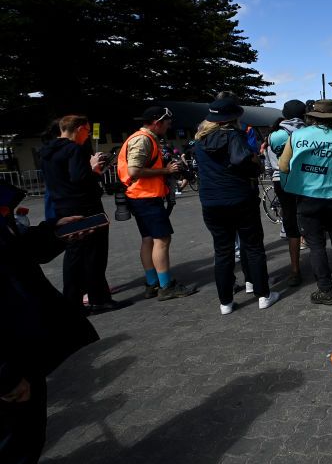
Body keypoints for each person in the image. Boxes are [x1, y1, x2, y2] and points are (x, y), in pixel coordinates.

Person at [0, 182, 108, 464]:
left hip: (18, 346)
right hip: (6, 365)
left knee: (25, 445)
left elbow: (12, 250)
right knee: (11, 463)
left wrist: (52, 234)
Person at [193, 98, 280, 315]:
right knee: (253, 246)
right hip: (240, 198)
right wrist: (255, 163)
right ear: (232, 118)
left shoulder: (199, 141)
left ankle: (225, 302)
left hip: (212, 202)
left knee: (223, 251)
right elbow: (242, 161)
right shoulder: (233, 136)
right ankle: (262, 294)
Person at [39, 115, 130, 314]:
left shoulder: (46, 151)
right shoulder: (74, 149)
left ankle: (73, 301)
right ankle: (99, 298)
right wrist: (95, 169)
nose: (88, 135)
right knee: (94, 255)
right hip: (85, 207)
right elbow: (80, 179)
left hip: (63, 207)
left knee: (75, 255)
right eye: (87, 131)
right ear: (79, 129)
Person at [116, 106, 196, 301]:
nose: (169, 125)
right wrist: (166, 171)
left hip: (139, 196)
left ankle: (152, 283)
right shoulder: (143, 139)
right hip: (146, 196)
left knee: (148, 239)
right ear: (156, 121)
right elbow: (135, 170)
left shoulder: (143, 138)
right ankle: (166, 286)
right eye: (167, 122)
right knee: (162, 239)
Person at [280, 99, 332, 305]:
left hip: (307, 197)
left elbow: (284, 166)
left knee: (316, 245)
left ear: (311, 117)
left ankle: (326, 290)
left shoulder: (296, 136)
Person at [267, 99, 307, 286]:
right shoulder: (308, 133)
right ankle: (321, 264)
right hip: (306, 181)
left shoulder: (275, 135)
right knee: (311, 221)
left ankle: (295, 270)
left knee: (291, 225)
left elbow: (269, 162)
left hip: (281, 181)